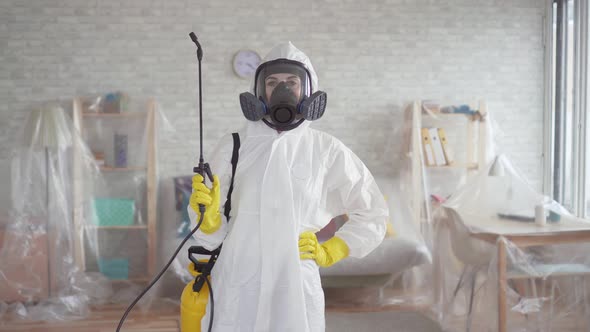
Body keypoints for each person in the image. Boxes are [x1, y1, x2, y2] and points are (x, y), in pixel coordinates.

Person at [188, 41, 388, 332]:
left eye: (291, 82)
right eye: (272, 82)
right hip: (238, 281)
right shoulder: (234, 146)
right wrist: (208, 222)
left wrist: (333, 249)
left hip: (296, 284)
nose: (282, 89)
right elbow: (207, 239)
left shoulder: (327, 150)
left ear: (308, 89)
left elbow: (373, 212)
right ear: (260, 91)